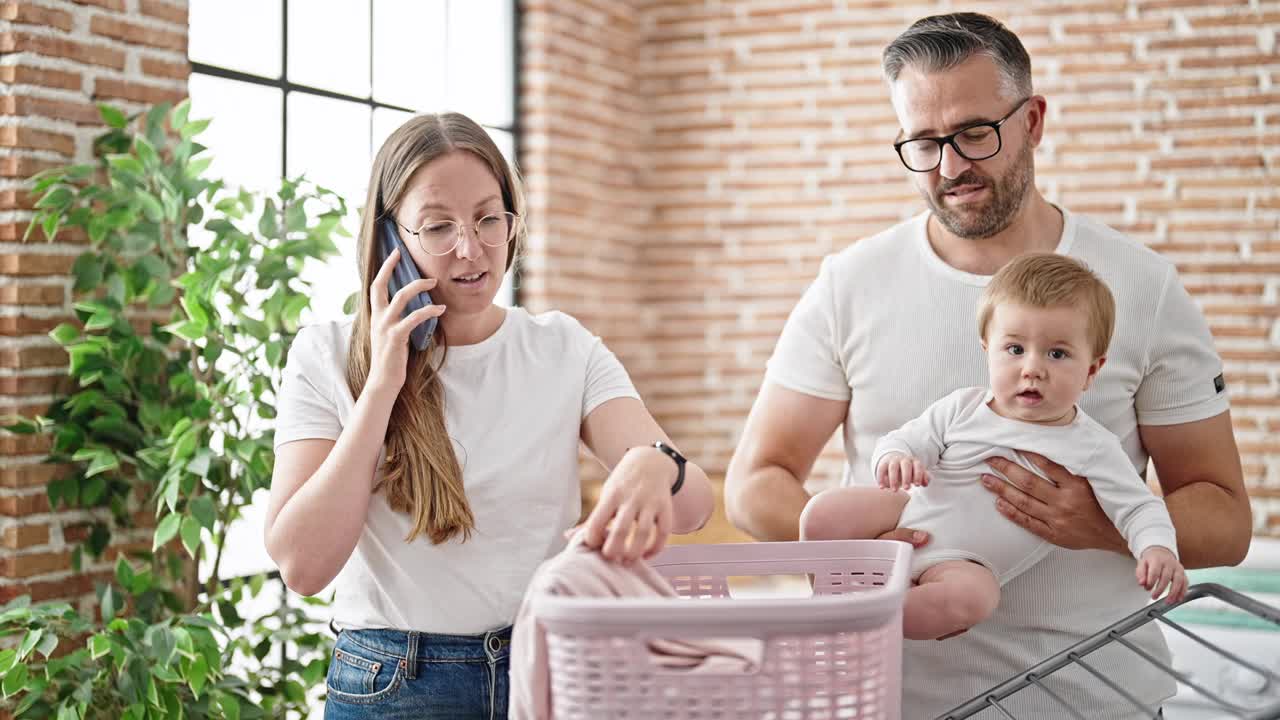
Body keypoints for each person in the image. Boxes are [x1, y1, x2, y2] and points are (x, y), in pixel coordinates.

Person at [724, 12, 1251, 718]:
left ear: (1032, 120)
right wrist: (873, 551)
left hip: (1096, 697)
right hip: (892, 697)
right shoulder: (850, 284)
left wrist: (1101, 520)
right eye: (923, 142)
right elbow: (756, 481)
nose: (950, 166)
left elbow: (1226, 519)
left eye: (975, 133)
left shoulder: (1142, 286)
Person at [263, 112, 714, 719]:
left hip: (549, 666)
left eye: (486, 219)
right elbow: (302, 566)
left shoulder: (562, 347)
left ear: (512, 221)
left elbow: (695, 507)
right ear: (392, 239)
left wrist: (655, 467)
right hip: (396, 683)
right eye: (438, 227)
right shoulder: (326, 354)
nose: (470, 249)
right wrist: (380, 392)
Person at [801, 253, 1187, 641]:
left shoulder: (1092, 446)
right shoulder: (962, 407)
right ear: (988, 349)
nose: (1032, 368)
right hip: (906, 518)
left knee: (973, 599)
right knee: (824, 514)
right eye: (1015, 349)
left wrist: (1157, 547)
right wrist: (897, 458)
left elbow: (1138, 506)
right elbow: (906, 439)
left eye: (1057, 353)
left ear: (1091, 370)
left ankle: (860, 623)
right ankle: (836, 599)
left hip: (963, 564)